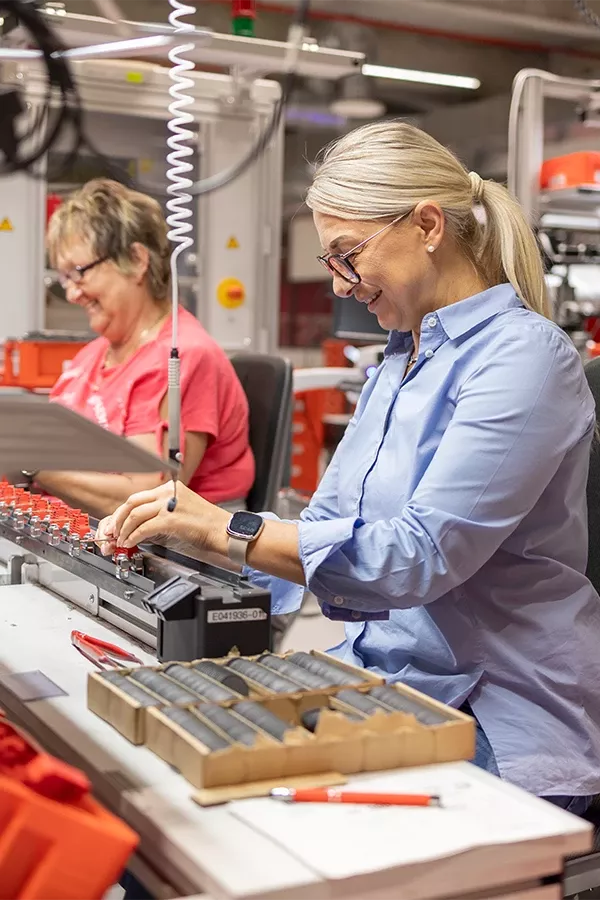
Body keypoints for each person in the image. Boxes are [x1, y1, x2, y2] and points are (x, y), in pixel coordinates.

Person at [99, 122, 600, 813]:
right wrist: (181, 548)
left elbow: (417, 559)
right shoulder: (400, 359)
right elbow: (327, 530)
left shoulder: (524, 358)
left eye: (347, 255)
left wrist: (224, 529)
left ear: (427, 225)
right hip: (385, 681)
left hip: (499, 712)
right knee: (163, 784)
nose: (339, 285)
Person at [32, 179, 254, 518]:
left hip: (172, 544)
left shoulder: (185, 357)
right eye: (65, 279)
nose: (73, 294)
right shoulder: (91, 357)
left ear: (136, 260)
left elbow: (149, 497)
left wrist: (34, 468)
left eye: (79, 273)